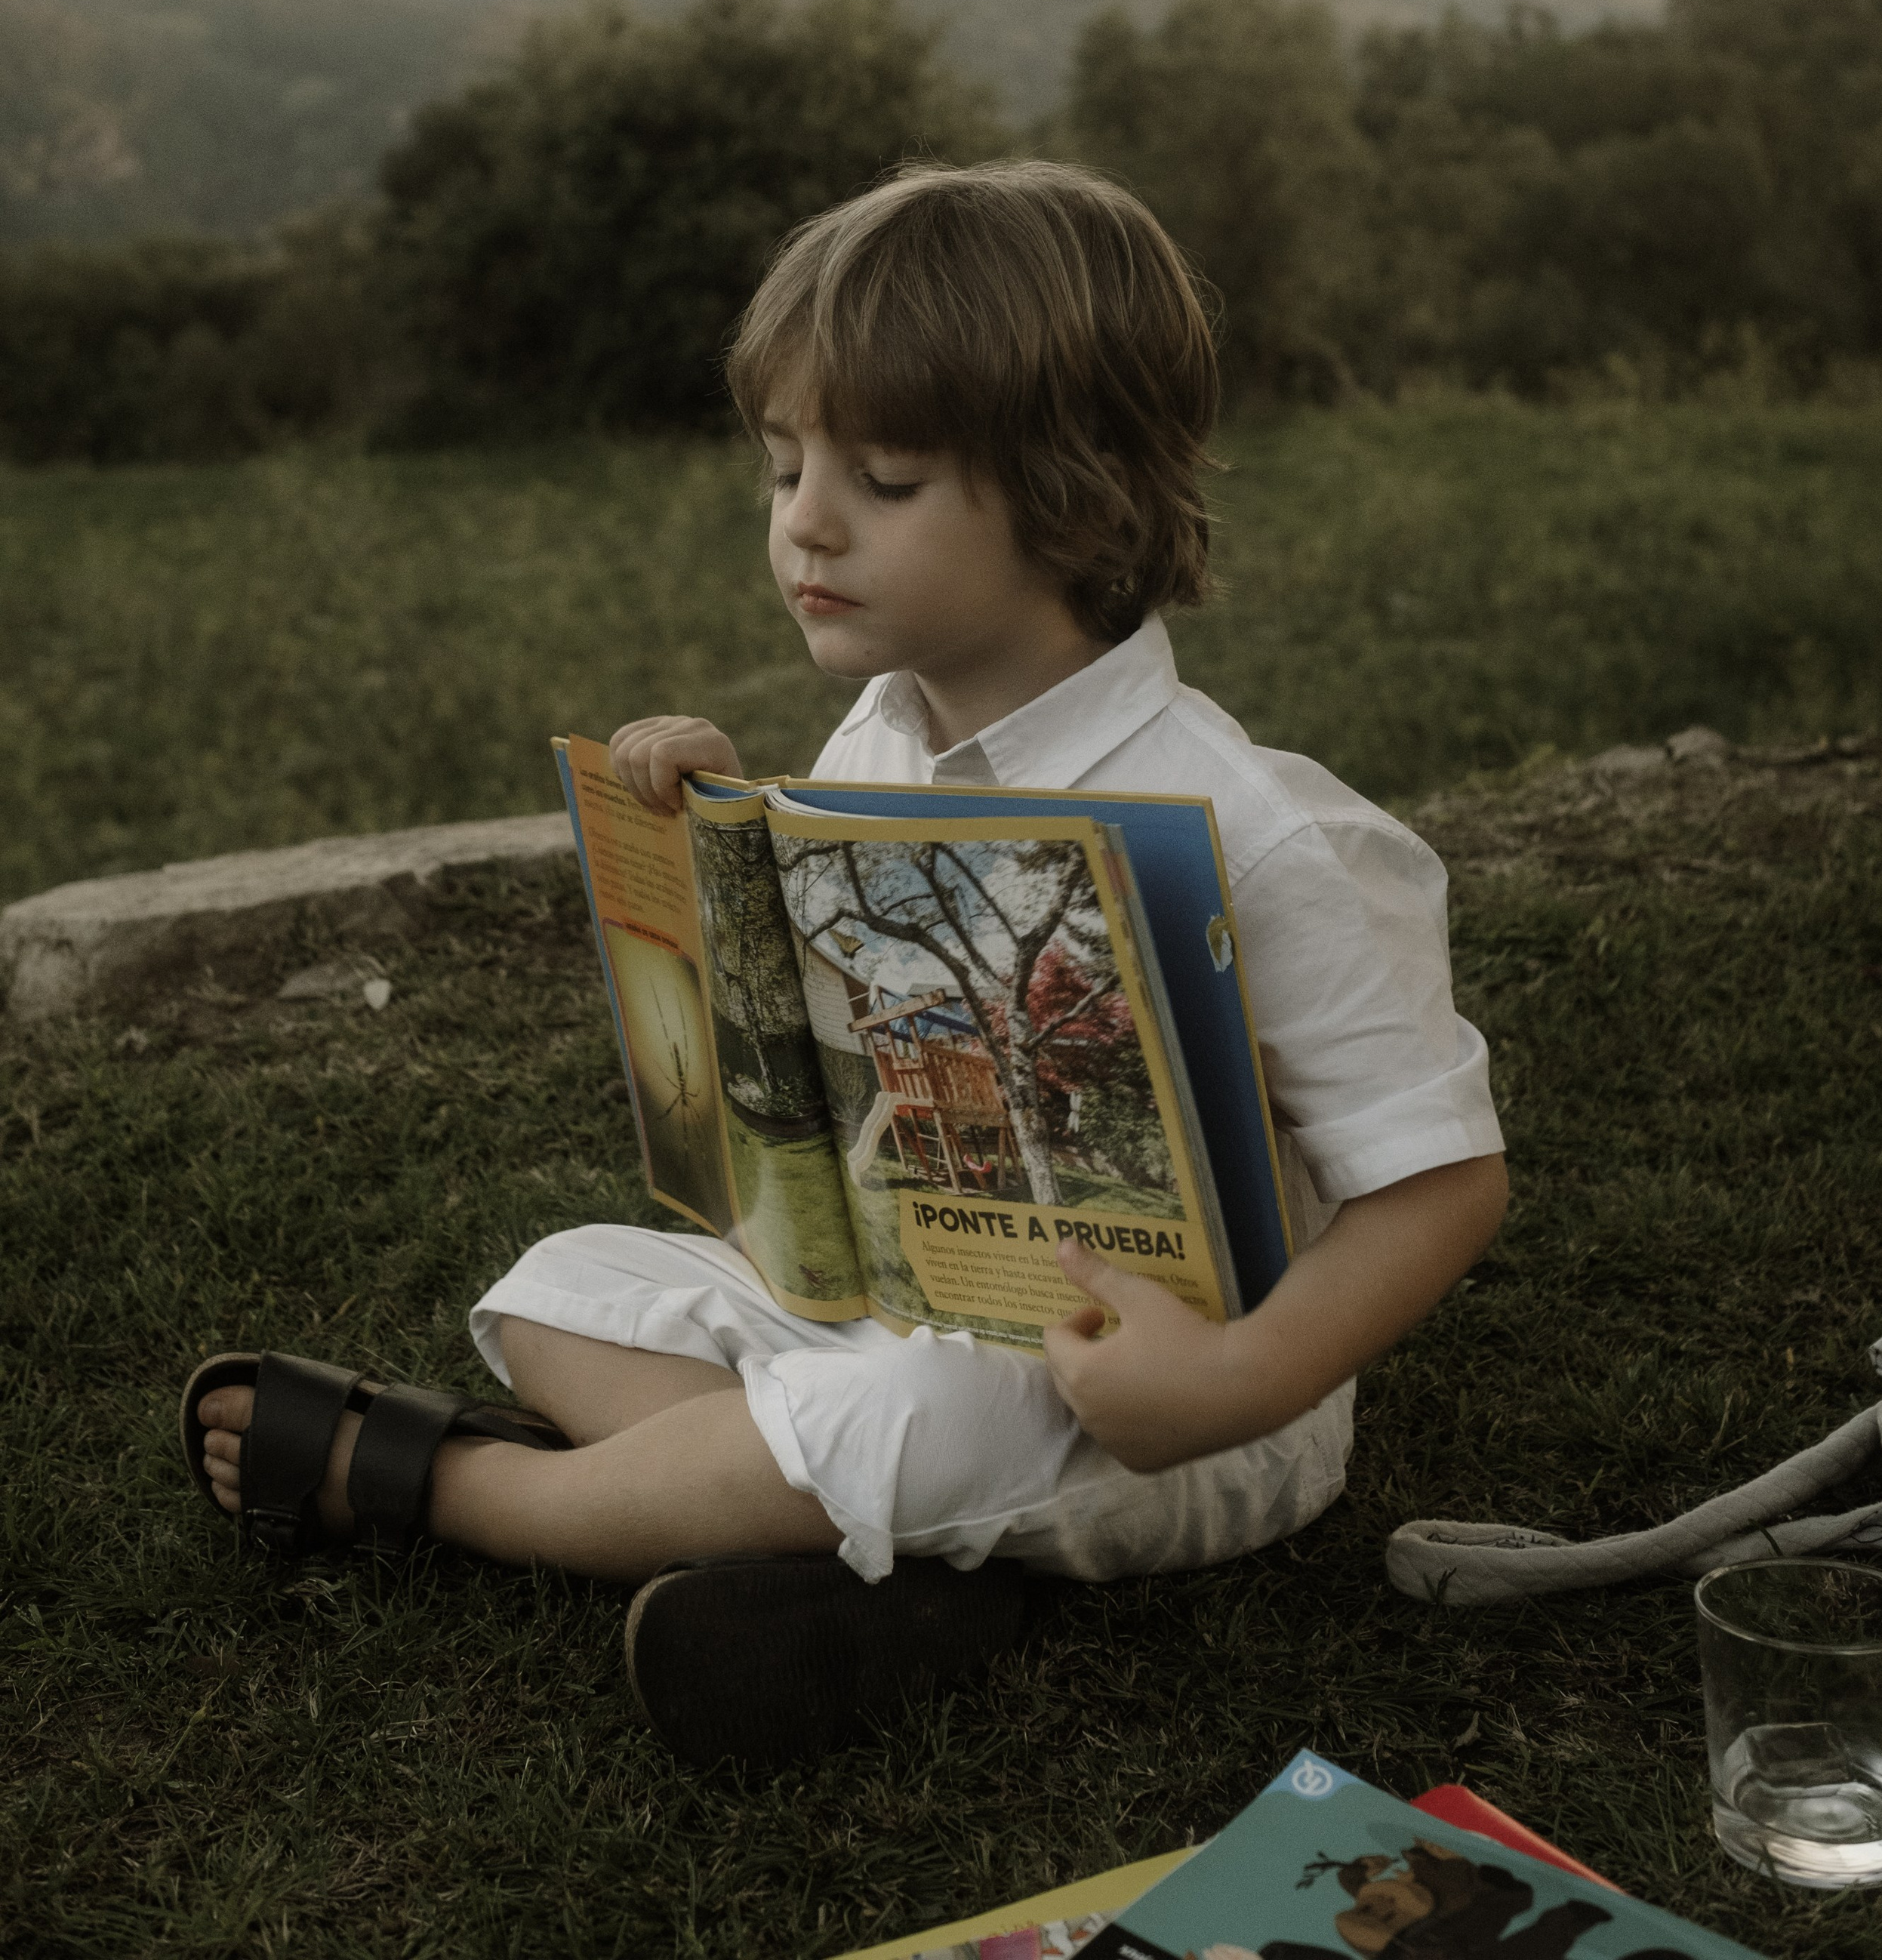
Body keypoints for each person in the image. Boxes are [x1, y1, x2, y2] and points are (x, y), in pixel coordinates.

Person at [187, 159, 1508, 1764]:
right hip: (906, 1300)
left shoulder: (1256, 833)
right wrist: (729, 827)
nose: (804, 518)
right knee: (552, 1293)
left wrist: (1227, 1387)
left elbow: (1439, 1186)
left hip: (1152, 1401)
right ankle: (880, 1565)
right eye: (783, 465)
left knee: (921, 1416)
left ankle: (475, 1491)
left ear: (1076, 498)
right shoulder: (879, 734)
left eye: (881, 476)